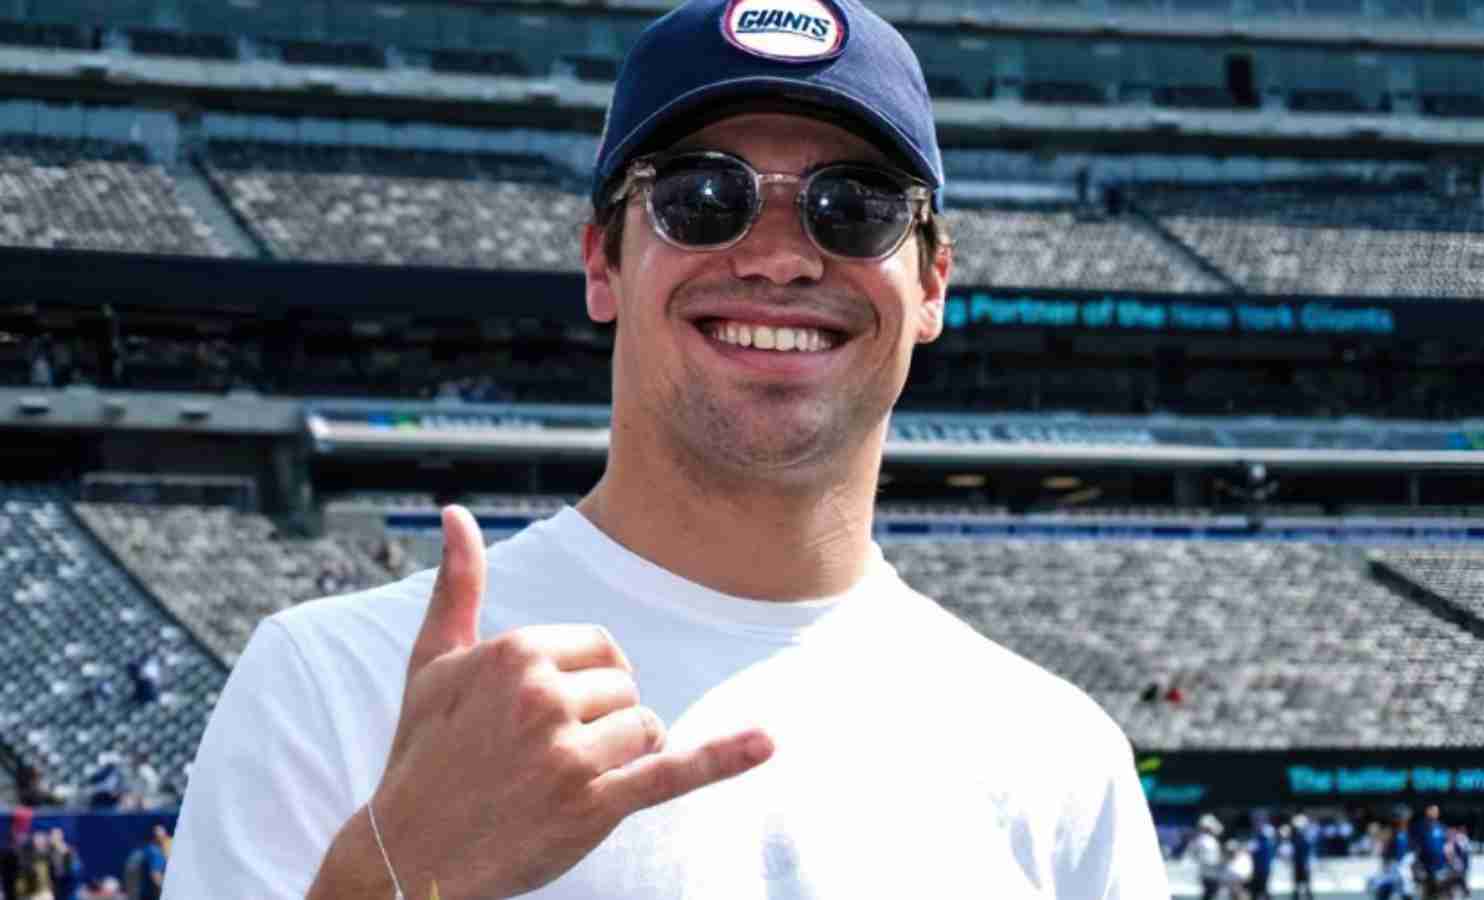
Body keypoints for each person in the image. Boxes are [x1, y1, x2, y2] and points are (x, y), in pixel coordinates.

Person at [162, 1, 1169, 898]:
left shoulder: (1061, 758)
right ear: (601, 261)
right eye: (702, 197)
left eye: (854, 206)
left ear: (934, 285)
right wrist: (389, 877)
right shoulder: (333, 681)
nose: (779, 255)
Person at [1192, 813, 1226, 900]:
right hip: (1209, 871)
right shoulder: (1204, 840)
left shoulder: (1208, 839)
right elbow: (1203, 857)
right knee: (1210, 893)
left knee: (1212, 893)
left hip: (1212, 871)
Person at [45, 830, 80, 900]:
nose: (54, 838)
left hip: (68, 889)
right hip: (55, 889)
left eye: (57, 836)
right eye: (53, 836)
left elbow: (74, 872)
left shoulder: (68, 851)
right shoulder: (48, 853)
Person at [1249, 814, 1277, 899]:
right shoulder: (1259, 840)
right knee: (1260, 890)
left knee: (1261, 890)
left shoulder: (1264, 842)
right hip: (1259, 869)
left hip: (1263, 869)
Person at [1290, 813, 1315, 900]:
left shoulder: (1305, 838)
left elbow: (1307, 851)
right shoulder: (1297, 838)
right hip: (1299, 863)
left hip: (1303, 863)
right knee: (1298, 885)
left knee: (1306, 885)